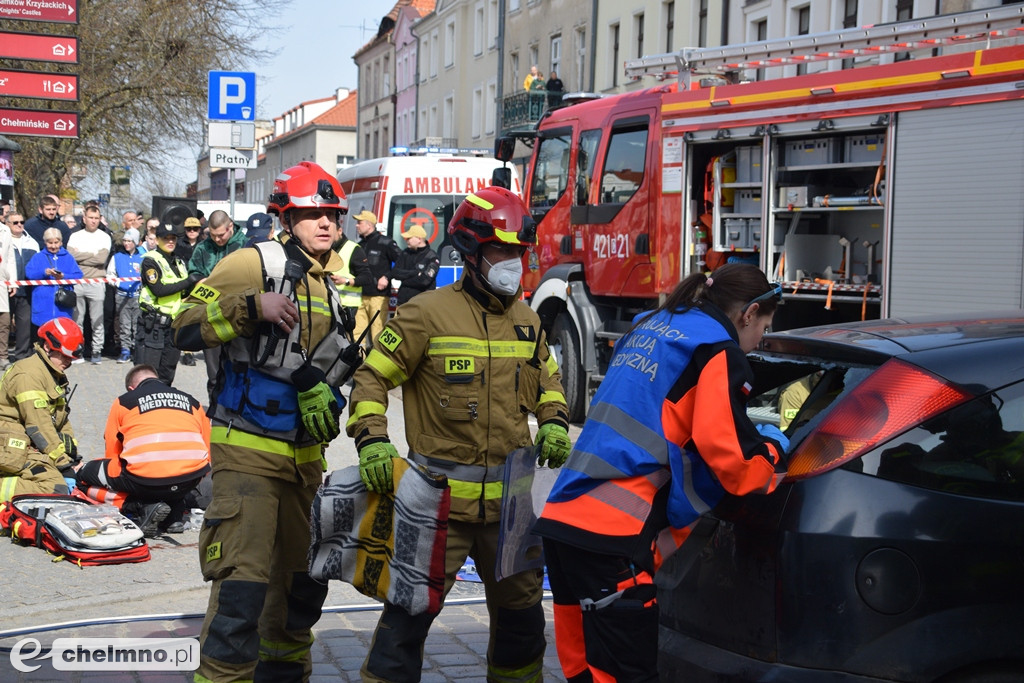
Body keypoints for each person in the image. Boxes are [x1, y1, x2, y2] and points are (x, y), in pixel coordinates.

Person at [347, 186, 571, 682]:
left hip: (512, 509)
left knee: (522, 628)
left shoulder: (528, 321)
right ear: (471, 253)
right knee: (405, 623)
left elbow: (549, 382)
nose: (512, 262)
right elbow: (371, 378)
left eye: (518, 251)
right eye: (501, 250)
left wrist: (554, 420)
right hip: (438, 505)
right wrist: (372, 437)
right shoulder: (425, 314)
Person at [534, 264, 789, 682]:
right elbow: (736, 466)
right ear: (749, 313)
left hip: (563, 524)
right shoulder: (715, 351)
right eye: (764, 326)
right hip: (613, 540)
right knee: (626, 674)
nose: (759, 339)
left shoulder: (650, 326)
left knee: (584, 673)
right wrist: (774, 448)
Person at [172, 161, 360, 682]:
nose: (325, 224)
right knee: (242, 593)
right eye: (311, 214)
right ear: (285, 215)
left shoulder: (329, 282)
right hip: (247, 456)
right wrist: (251, 306)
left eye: (332, 215)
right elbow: (183, 326)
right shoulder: (252, 264)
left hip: (304, 464)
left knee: (299, 592)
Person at [75, 364, 211, 537]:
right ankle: (175, 512)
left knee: (83, 478)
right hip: (189, 479)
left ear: (131, 388)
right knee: (170, 478)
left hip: (145, 480)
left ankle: (139, 507)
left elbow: (112, 453)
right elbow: (207, 450)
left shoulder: (124, 401)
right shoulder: (193, 402)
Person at [0, 318, 82, 502]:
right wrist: (63, 464)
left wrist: (71, 456)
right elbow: (38, 425)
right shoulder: (28, 375)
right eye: (64, 356)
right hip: (10, 445)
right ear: (47, 346)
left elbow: (61, 420)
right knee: (54, 487)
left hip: (28, 444)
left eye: (71, 358)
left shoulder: (51, 372)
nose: (68, 362)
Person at [186, 209, 247, 402]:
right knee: (214, 374)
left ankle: (237, 411)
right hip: (211, 316)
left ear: (230, 227)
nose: (218, 239)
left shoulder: (245, 245)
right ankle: (215, 412)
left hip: (239, 317)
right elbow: (193, 272)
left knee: (239, 370)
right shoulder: (204, 247)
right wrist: (201, 281)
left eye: (221, 235)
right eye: (213, 235)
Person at [137, 221, 197, 386]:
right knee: (149, 374)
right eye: (165, 238)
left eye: (173, 238)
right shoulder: (151, 261)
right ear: (156, 240)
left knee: (167, 373)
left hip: (174, 324)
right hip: (154, 326)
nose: (170, 242)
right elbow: (159, 290)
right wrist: (188, 281)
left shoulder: (178, 262)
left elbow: (182, 292)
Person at [67, 204, 112, 364]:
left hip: (97, 282)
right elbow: (71, 256)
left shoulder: (104, 237)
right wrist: (92, 254)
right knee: (77, 320)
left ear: (100, 219)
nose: (93, 221)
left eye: (96, 218)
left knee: (97, 320)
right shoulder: (75, 236)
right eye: (90, 218)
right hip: (77, 282)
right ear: (84, 218)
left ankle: (96, 351)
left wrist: (81, 255)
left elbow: (101, 260)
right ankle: (77, 351)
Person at [352, 209, 400, 347]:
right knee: (357, 334)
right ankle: (358, 364)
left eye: (359, 222)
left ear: (369, 225)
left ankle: (377, 366)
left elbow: (402, 262)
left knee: (377, 333)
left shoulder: (385, 243)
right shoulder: (360, 245)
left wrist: (387, 277)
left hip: (378, 297)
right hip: (360, 295)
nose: (356, 225)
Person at [25, 228, 83, 334]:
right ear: (45, 242)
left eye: (56, 242)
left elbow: (78, 276)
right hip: (43, 304)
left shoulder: (68, 257)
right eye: (50, 243)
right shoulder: (38, 257)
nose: (53, 246)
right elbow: (29, 274)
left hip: (63, 307)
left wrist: (63, 276)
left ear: (61, 242)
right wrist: (44, 273)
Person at [107, 227, 143, 364]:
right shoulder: (117, 257)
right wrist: (116, 283)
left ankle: (136, 349)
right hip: (122, 296)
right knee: (124, 324)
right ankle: (125, 350)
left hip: (138, 296)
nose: (127, 243)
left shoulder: (143, 257)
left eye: (130, 241)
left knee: (137, 323)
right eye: (125, 241)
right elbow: (110, 274)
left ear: (136, 242)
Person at [328, 228, 371, 338]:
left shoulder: (353, 249)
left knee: (351, 339)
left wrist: (346, 281)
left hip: (349, 306)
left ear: (339, 231)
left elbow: (367, 277)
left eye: (332, 233)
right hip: (331, 303)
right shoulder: (326, 248)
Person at [7, 212, 38, 362]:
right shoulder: (3, 240)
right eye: (15, 222)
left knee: (24, 324)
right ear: (7, 224)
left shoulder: (31, 242)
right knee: (4, 324)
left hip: (26, 290)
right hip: (5, 290)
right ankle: (3, 355)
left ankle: (21, 355)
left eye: (22, 221)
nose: (19, 224)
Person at [390, 224, 439, 305]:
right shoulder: (405, 253)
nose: (406, 240)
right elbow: (395, 273)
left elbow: (424, 281)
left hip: (422, 304)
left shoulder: (431, 256)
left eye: (409, 238)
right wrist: (415, 273)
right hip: (402, 302)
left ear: (419, 239)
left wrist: (404, 280)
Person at [0, 213, 13, 370]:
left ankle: (3, 356)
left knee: (4, 321)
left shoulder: (5, 231)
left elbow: (10, 258)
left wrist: (13, 281)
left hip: (2, 281)